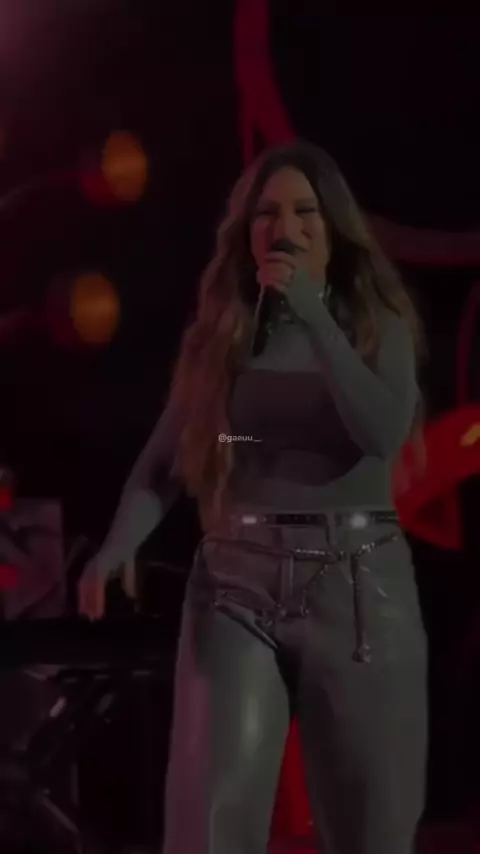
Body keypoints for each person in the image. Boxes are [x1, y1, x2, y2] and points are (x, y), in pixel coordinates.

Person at [78, 141, 429, 854]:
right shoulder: (222, 337)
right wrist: (117, 546)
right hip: (236, 583)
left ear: (333, 229)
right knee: (213, 822)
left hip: (358, 584)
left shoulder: (375, 326)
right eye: (267, 214)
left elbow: (380, 431)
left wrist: (314, 317)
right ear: (246, 234)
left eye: (305, 212)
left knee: (372, 831)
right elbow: (168, 459)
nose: (285, 228)